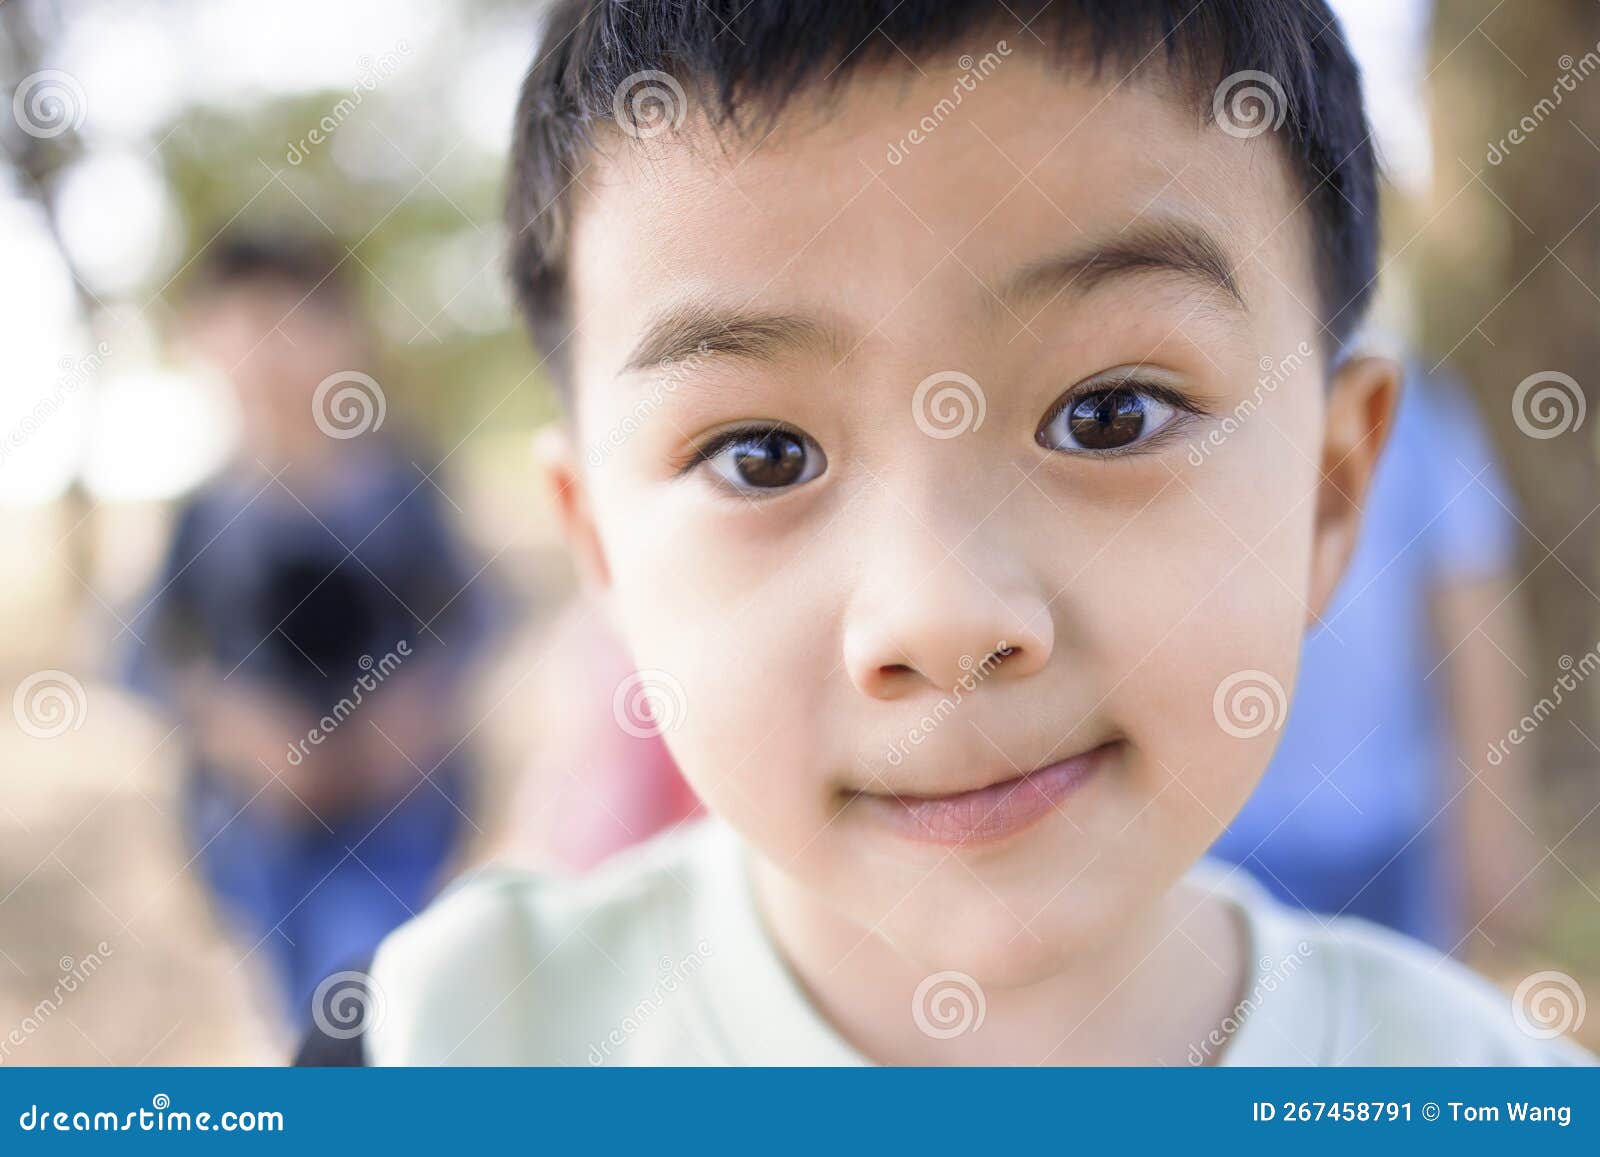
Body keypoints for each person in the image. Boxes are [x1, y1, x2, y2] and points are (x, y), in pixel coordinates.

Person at [317, 0, 1591, 1065]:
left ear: (1328, 490)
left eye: (1109, 414)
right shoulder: (435, 1052)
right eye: (762, 455)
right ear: (601, 551)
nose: (940, 617)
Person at [128, 232, 495, 1026]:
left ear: (345, 331)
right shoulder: (202, 516)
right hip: (261, 841)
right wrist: (234, 726)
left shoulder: (401, 488)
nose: (268, 351)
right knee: (301, 1018)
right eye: (242, 323)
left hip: (399, 824)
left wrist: (416, 709)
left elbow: (472, 619)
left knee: (382, 1004)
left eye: (292, 319)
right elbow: (146, 657)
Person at [1210, 369, 1541, 955]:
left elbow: (1473, 618)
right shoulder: (1202, 391)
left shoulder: (1421, 411)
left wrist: (1490, 824)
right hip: (1217, 841)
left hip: (1390, 837)